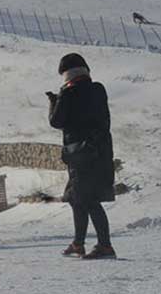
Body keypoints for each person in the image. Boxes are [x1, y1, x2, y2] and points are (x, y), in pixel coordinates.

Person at [47, 52, 116, 259]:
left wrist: (54, 101)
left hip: (80, 154)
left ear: (66, 75)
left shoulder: (68, 94)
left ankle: (105, 246)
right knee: (77, 198)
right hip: (100, 152)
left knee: (87, 199)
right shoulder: (98, 89)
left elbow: (56, 121)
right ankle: (78, 243)